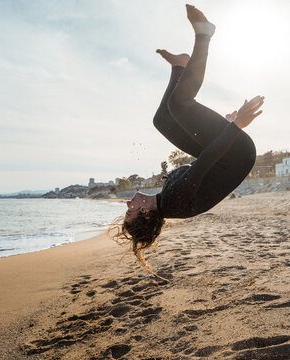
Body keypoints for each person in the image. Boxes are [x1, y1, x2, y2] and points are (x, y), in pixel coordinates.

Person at [112, 4, 264, 267]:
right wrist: (235, 126)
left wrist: (222, 126)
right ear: (145, 214)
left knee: (162, 121)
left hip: (222, 155)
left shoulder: (166, 200)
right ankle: (204, 34)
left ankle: (180, 67)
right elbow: (204, 161)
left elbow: (204, 163)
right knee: (179, 105)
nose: (128, 203)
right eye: (130, 211)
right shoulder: (175, 201)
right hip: (237, 154)